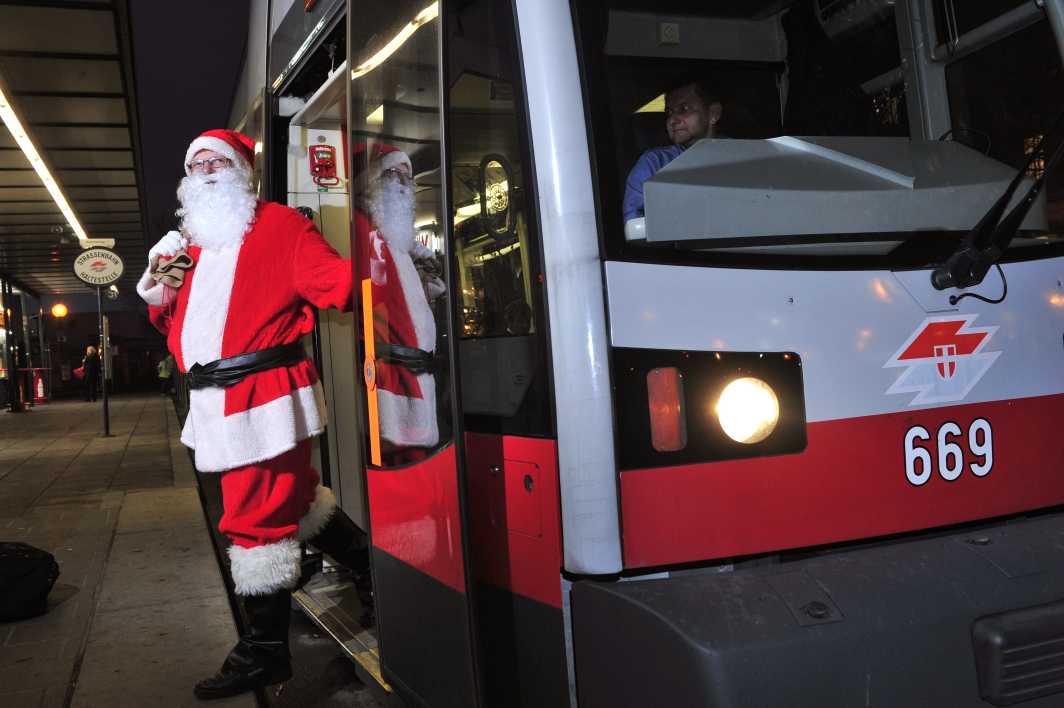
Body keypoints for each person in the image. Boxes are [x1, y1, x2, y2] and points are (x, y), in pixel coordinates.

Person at [136, 129, 374, 700]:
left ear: (243, 169)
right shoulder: (187, 245)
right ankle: (368, 567)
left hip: (264, 396)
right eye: (197, 164)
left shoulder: (284, 226)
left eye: (219, 160)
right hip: (215, 399)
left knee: (253, 519)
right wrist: (158, 282)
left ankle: (264, 653)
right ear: (187, 181)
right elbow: (169, 323)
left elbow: (337, 285)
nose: (208, 170)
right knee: (293, 499)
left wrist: (382, 248)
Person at [352, 142, 445, 467]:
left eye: (409, 177)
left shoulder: (390, 235)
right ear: (372, 179)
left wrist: (422, 292)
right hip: (391, 379)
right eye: (395, 174)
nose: (405, 183)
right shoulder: (360, 227)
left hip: (411, 377)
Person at [623, 71, 724, 224]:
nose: (671, 120)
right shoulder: (653, 164)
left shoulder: (746, 157)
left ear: (714, 113)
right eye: (668, 113)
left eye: (684, 109)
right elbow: (635, 224)